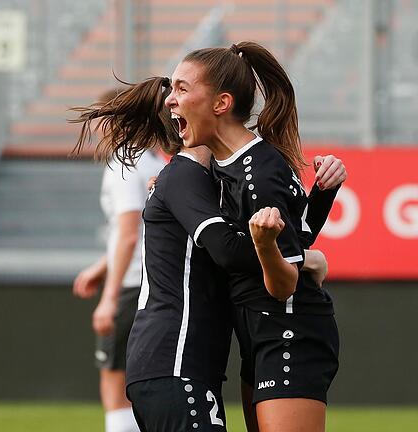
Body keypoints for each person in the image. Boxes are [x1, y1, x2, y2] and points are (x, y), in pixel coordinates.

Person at [70, 70, 345, 430]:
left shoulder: (204, 182)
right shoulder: (185, 178)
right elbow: (232, 252)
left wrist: (320, 199)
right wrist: (301, 259)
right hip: (173, 360)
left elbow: (278, 239)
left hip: (184, 365)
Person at [161, 41, 342, 432]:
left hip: (289, 333)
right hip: (260, 333)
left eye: (181, 88)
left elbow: (284, 284)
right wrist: (323, 196)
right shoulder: (229, 165)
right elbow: (298, 239)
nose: (170, 101)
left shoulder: (258, 172)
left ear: (221, 103)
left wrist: (264, 245)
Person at [73, 88, 166, 432]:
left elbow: (128, 232)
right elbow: (142, 228)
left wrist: (108, 299)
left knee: (115, 382)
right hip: (155, 280)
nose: (97, 129)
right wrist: (102, 266)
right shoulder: (154, 161)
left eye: (102, 119)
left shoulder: (124, 166)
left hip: (131, 285)